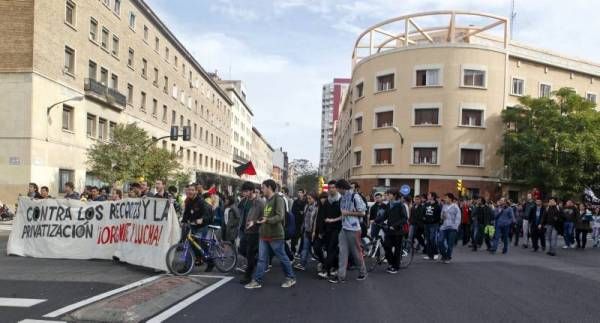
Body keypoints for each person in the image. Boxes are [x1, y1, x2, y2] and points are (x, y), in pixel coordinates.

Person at [245, 179, 296, 289]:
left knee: (282, 257)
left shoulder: (278, 199)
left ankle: (290, 278)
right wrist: (254, 222)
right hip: (264, 235)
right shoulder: (268, 200)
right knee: (262, 259)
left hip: (275, 235)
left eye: (263, 187)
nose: (261, 189)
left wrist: (266, 220)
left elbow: (280, 216)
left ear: (269, 187)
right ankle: (256, 281)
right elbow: (264, 217)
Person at [328, 179, 367, 284]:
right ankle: (341, 276)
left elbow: (363, 212)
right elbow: (343, 214)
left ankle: (362, 272)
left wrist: (348, 213)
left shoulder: (355, 197)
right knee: (342, 252)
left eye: (337, 188)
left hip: (354, 229)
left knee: (356, 253)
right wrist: (334, 219)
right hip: (344, 228)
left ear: (342, 188)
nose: (336, 190)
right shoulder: (343, 197)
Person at [238, 183, 265, 285]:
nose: (243, 193)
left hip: (255, 232)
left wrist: (255, 222)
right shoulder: (245, 201)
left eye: (245, 191)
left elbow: (264, 217)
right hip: (245, 230)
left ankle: (248, 276)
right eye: (243, 191)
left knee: (250, 254)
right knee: (241, 249)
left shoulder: (260, 202)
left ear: (251, 191)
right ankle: (254, 262)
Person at [376, 189, 408, 273]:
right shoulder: (388, 205)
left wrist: (395, 225)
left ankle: (395, 267)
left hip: (398, 231)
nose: (387, 195)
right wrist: (376, 220)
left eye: (389, 194)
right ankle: (392, 263)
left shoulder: (401, 205)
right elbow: (385, 216)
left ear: (394, 195)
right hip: (389, 230)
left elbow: (405, 218)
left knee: (397, 250)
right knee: (386, 246)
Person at [317, 180, 341, 279]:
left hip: (337, 229)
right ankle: (335, 267)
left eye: (333, 187)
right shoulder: (327, 201)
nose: (331, 189)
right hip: (327, 230)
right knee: (330, 249)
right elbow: (322, 216)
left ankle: (325, 270)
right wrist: (321, 231)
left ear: (337, 188)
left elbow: (343, 215)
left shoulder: (341, 200)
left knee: (331, 249)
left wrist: (332, 220)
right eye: (330, 187)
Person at [295, 192, 319, 271]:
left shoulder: (317, 207)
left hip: (314, 231)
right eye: (307, 198)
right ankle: (302, 264)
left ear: (314, 198)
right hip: (306, 230)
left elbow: (316, 220)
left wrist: (314, 231)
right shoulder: (306, 206)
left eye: (310, 198)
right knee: (305, 247)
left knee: (316, 249)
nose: (308, 200)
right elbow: (304, 218)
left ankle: (323, 263)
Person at [438, 193, 461, 263]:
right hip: (444, 227)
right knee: (440, 241)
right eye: (445, 198)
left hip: (452, 228)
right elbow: (441, 217)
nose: (445, 199)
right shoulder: (444, 206)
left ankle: (448, 257)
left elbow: (458, 218)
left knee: (450, 244)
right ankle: (444, 254)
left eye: (446, 198)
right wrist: (442, 216)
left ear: (450, 199)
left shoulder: (455, 207)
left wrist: (455, 227)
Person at [423, 192, 442, 260]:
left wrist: (433, 220)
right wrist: (424, 218)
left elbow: (438, 216)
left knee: (432, 239)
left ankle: (435, 253)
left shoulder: (437, 205)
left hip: (434, 224)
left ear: (433, 197)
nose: (428, 196)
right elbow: (423, 213)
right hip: (426, 224)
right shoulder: (426, 204)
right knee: (428, 239)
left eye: (429, 195)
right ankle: (429, 254)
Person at [290, 189, 307, 257]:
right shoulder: (295, 201)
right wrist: (299, 212)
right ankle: (293, 250)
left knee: (303, 237)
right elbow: (293, 211)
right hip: (296, 222)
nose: (299, 194)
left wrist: (302, 212)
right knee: (294, 237)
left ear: (303, 193)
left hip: (303, 222)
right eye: (298, 192)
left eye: (300, 192)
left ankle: (300, 251)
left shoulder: (305, 201)